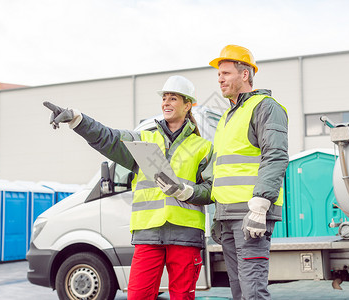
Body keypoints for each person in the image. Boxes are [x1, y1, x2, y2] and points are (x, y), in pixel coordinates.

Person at [44, 75, 213, 300]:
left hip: (185, 236)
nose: (166, 103)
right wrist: (78, 119)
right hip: (148, 234)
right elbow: (109, 138)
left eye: (173, 98)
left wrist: (187, 191)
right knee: (138, 296)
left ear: (188, 104)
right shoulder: (144, 139)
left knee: (182, 297)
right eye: (164, 98)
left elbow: (212, 190)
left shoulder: (203, 147)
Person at [209, 45, 289, 300]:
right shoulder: (226, 118)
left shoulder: (265, 107)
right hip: (228, 215)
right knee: (239, 291)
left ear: (245, 75)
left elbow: (275, 155)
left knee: (252, 290)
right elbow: (224, 171)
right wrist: (217, 215)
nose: (220, 79)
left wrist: (260, 207)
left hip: (251, 214)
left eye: (226, 73)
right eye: (219, 74)